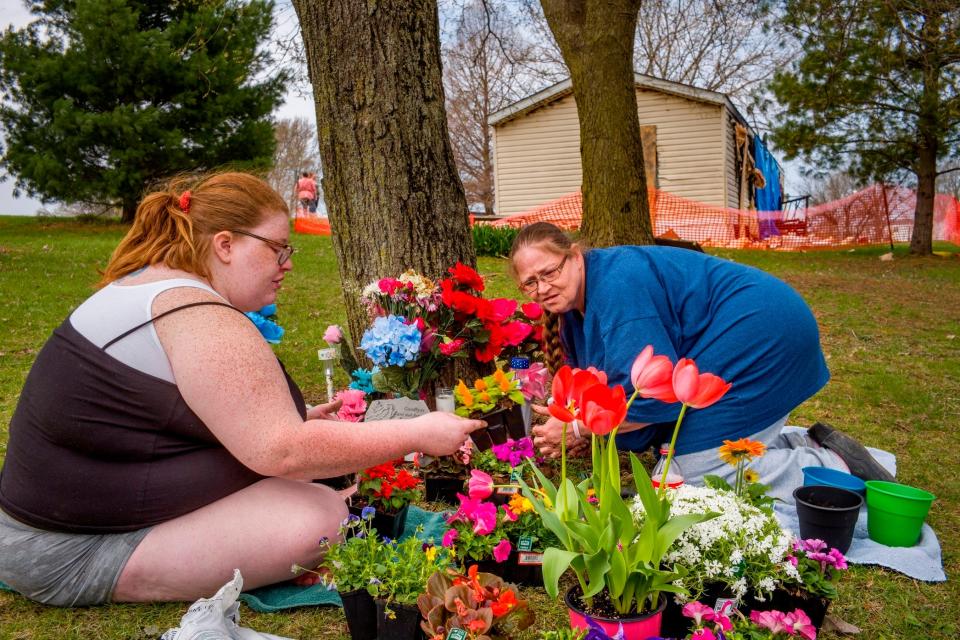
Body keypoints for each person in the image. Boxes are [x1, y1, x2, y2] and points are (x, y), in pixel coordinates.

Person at [0, 172, 483, 607]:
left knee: (313, 495)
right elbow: (284, 452)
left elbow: (154, 423)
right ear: (226, 244)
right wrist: (421, 432)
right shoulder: (196, 313)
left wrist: (298, 418)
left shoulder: (155, 290)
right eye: (278, 248)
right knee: (320, 516)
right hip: (67, 552)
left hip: (50, 529)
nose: (287, 263)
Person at [509, 222, 894, 500]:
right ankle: (801, 440)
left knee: (693, 474)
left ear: (575, 256)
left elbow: (654, 398)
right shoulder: (577, 306)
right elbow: (615, 392)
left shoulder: (616, 288)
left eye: (550, 272)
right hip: (742, 330)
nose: (542, 288)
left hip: (763, 331)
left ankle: (831, 466)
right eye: (530, 282)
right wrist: (584, 426)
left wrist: (580, 429)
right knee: (674, 464)